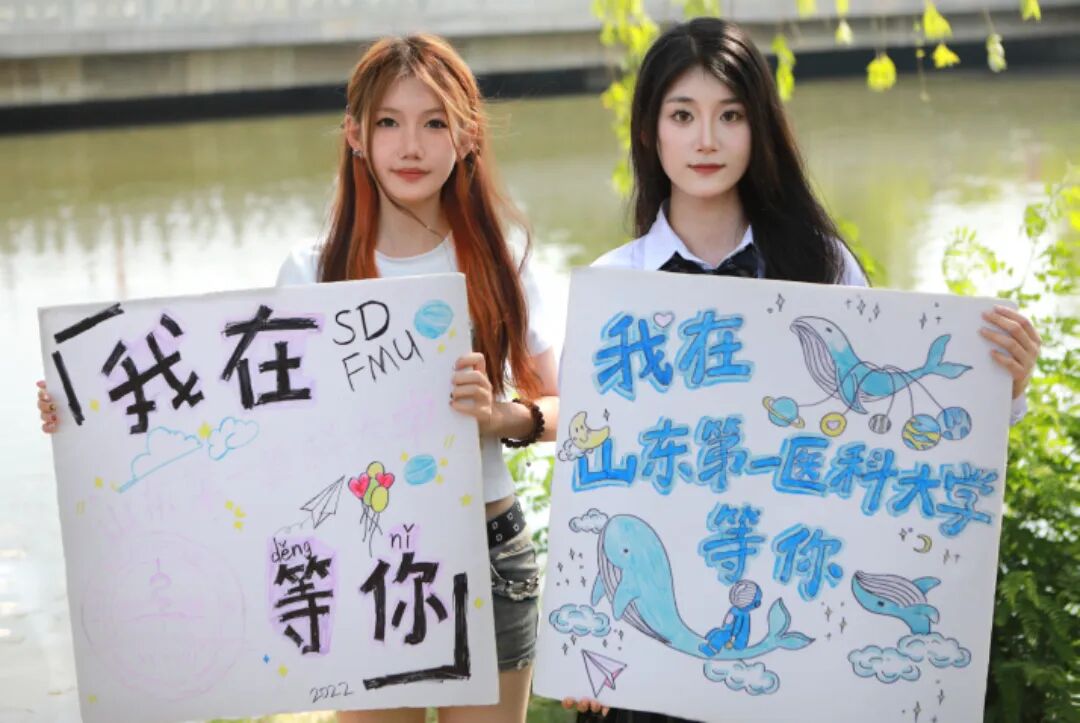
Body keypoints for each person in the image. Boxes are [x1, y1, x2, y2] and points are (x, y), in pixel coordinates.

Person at [38, 33, 559, 723]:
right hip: (356, 556)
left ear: (466, 137)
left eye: (434, 124)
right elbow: (242, 421)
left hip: (487, 551)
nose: (410, 146)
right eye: (389, 122)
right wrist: (88, 413)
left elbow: (565, 406)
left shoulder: (496, 260)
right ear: (355, 135)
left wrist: (503, 416)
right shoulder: (312, 271)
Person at [562, 17, 1040, 723]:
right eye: (683, 116)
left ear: (760, 128)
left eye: (730, 116)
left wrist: (1004, 385)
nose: (706, 140)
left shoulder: (821, 265)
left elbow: (886, 434)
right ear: (648, 131)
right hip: (658, 656)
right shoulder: (611, 289)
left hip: (797, 626)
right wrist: (587, 643)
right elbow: (592, 471)